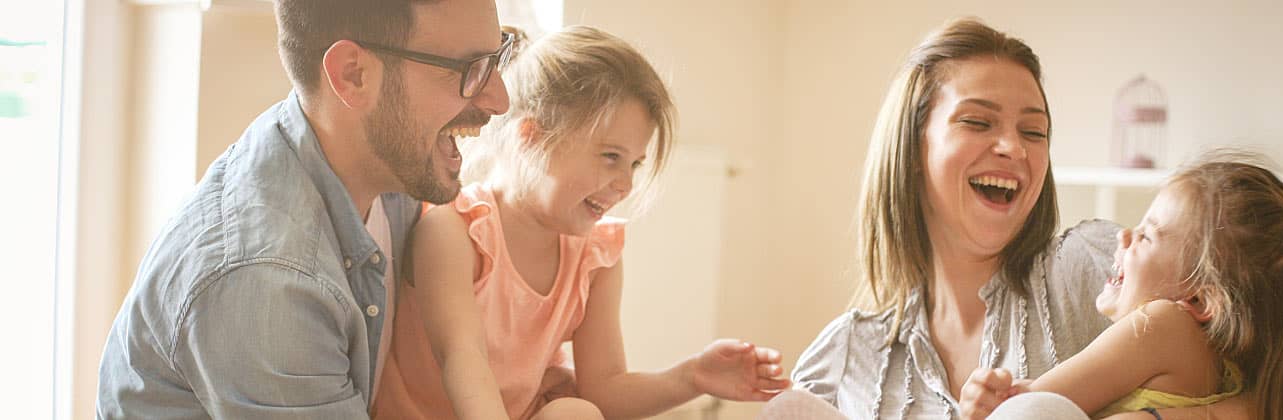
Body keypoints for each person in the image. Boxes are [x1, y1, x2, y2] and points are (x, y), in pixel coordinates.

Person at [784, 18, 1245, 419]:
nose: (1014, 148)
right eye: (978, 122)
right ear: (912, 148)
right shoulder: (845, 355)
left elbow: (1281, 384)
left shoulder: (1095, 267)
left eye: (1033, 131)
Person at [95, 0, 511, 417]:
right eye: (469, 69)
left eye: (498, 56)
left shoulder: (385, 162)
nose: (500, 99)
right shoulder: (269, 284)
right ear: (353, 75)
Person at [372, 26, 790, 420]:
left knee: (578, 412)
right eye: (610, 156)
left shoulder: (595, 256)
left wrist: (691, 377)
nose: (625, 183)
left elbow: (604, 389)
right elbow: (463, 358)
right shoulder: (455, 229)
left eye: (635, 164)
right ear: (530, 137)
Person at [962, 154, 1283, 419]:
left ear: (1199, 298)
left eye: (1147, 236)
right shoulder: (1235, 374)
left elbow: (1032, 403)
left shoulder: (1162, 324)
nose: (1123, 238)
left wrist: (984, 402)